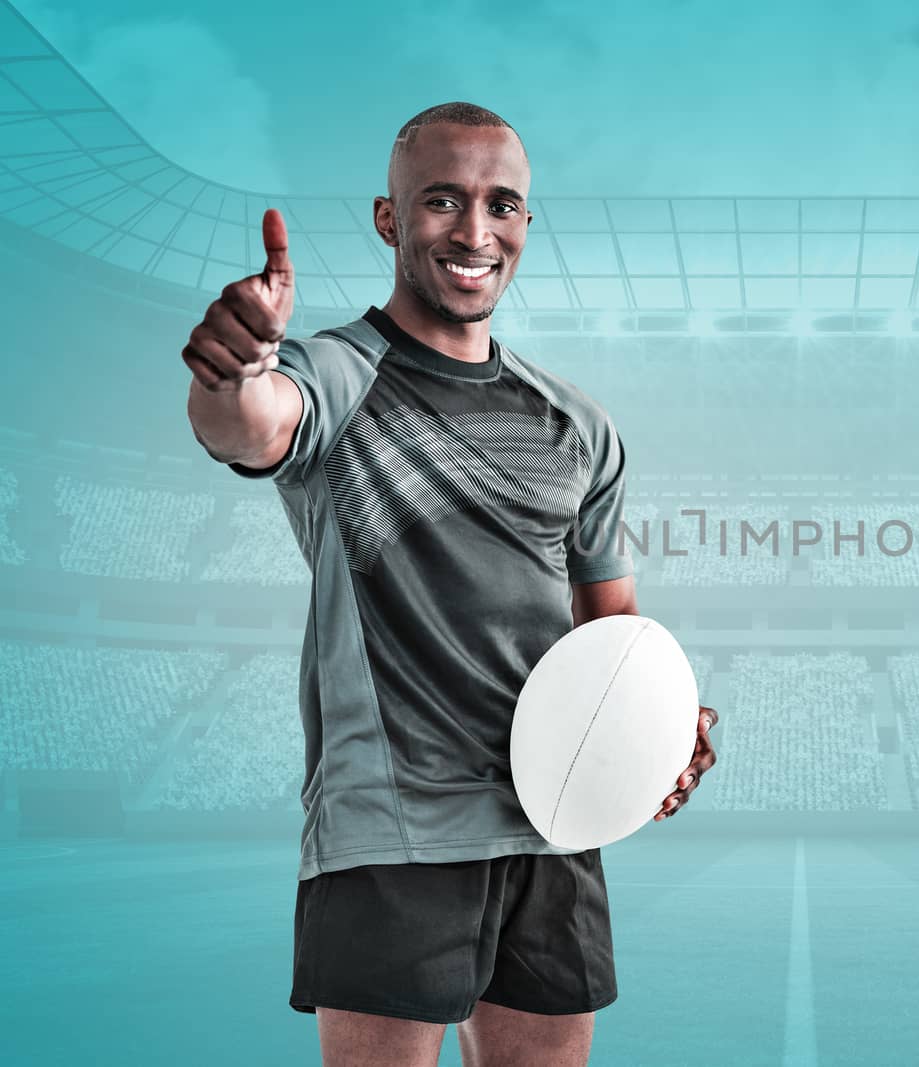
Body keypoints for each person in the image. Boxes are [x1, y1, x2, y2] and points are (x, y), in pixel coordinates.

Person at [182, 101, 718, 1067]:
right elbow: (253, 424)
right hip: (395, 832)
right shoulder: (338, 376)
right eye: (442, 201)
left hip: (555, 821)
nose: (475, 232)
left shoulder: (578, 425)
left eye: (502, 205)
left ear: (524, 224)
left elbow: (618, 630)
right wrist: (234, 369)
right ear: (390, 219)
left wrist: (667, 727)